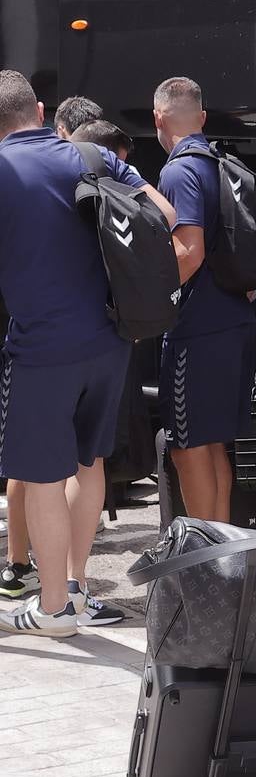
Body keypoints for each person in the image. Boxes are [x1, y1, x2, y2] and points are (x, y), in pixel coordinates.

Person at [0, 71, 176, 637]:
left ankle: (52, 609)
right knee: (88, 462)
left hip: (41, 344)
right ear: (40, 110)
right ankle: (75, 590)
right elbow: (165, 216)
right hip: (110, 337)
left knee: (41, 477)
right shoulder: (93, 157)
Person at [154, 77, 256, 523]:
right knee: (212, 443)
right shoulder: (222, 164)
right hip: (233, 318)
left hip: (197, 328)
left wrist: (147, 302)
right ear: (202, 117)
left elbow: (189, 251)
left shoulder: (179, 171)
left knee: (186, 446)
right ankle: (221, 547)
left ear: (158, 118)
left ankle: (204, 548)